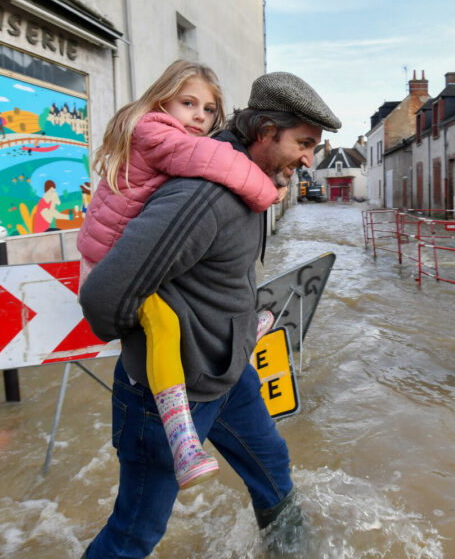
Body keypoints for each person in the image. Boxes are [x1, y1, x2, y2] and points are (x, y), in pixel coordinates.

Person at [79, 71, 340, 557]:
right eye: (303, 144)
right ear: (265, 132)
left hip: (229, 374)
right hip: (170, 393)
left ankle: (292, 551)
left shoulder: (247, 180)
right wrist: (169, 342)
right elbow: (103, 298)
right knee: (135, 532)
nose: (309, 160)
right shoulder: (206, 196)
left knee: (272, 468)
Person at [77, 60, 280, 490]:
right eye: (188, 104)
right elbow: (211, 159)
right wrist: (266, 192)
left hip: (223, 366)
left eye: (208, 111)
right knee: (164, 324)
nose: (199, 118)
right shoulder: (156, 133)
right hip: (105, 258)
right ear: (162, 99)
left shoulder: (164, 138)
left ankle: (243, 332)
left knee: (272, 467)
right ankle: (181, 438)